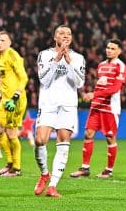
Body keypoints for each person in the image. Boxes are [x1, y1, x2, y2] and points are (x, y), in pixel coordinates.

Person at [33, 24, 85, 197]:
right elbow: (44, 79)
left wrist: (68, 61)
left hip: (68, 105)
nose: (65, 36)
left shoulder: (78, 58)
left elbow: (79, 83)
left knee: (63, 144)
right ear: (55, 37)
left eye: (68, 33)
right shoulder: (45, 55)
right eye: (61, 33)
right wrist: (57, 59)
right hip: (48, 104)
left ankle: (53, 186)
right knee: (40, 140)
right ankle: (44, 173)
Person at [70, 39, 126, 178]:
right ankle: (85, 168)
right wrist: (92, 96)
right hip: (97, 105)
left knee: (110, 138)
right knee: (88, 134)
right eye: (108, 48)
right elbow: (102, 85)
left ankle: (109, 170)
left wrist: (94, 94)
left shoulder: (121, 66)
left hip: (110, 107)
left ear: (119, 51)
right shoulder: (101, 65)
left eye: (113, 48)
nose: (109, 50)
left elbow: (115, 88)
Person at [0, 30, 28, 177]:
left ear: (9, 42)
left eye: (3, 40)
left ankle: (17, 168)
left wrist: (16, 96)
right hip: (5, 99)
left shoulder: (12, 55)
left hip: (15, 100)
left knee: (11, 134)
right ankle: (10, 162)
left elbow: (23, 78)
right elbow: (6, 82)